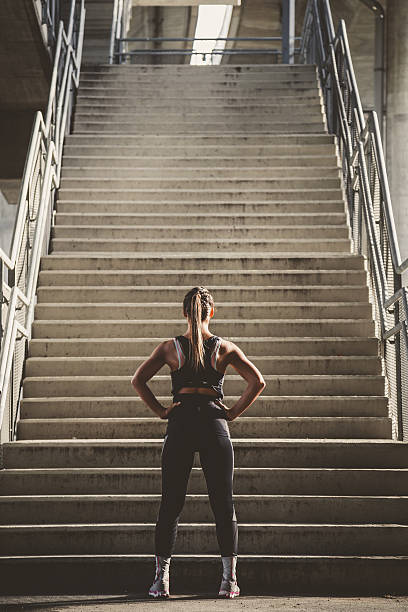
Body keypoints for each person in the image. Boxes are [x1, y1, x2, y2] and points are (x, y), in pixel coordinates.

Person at [131, 286, 266, 599]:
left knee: (171, 503)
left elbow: (138, 380)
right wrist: (231, 413)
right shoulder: (225, 348)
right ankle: (228, 582)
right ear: (211, 312)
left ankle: (160, 582)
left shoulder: (169, 348)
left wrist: (162, 411)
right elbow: (257, 382)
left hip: (180, 423)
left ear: (184, 313)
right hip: (212, 420)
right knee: (223, 503)